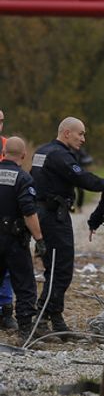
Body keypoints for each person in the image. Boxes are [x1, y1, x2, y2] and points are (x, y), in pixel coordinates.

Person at [32, 117, 104, 332]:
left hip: (45, 213)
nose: (83, 139)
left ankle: (55, 318)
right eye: (80, 134)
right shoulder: (60, 156)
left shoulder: (42, 151)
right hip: (54, 217)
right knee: (60, 270)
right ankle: (42, 317)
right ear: (66, 133)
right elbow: (87, 181)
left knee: (56, 268)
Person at [0, 137, 45, 334]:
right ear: (24, 155)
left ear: (3, 153)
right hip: (14, 242)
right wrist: (40, 240)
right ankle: (26, 329)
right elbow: (29, 213)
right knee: (25, 284)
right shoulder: (23, 179)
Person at [0, 109, 13, 329]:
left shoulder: (8, 145)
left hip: (6, 216)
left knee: (9, 265)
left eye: (1, 121)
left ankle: (6, 310)